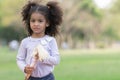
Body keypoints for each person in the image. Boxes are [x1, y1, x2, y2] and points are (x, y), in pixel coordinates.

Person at [16, 0, 63, 80]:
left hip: (48, 78)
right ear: (29, 22)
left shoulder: (50, 41)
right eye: (33, 21)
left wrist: (43, 57)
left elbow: (56, 60)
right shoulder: (25, 42)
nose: (36, 24)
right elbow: (19, 59)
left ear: (47, 23)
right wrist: (24, 68)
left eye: (40, 21)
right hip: (31, 77)